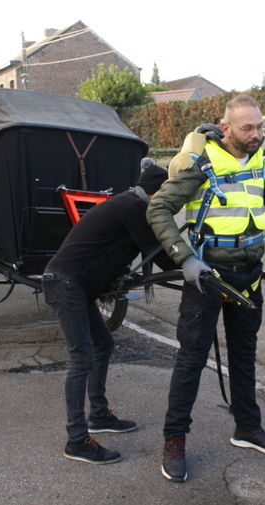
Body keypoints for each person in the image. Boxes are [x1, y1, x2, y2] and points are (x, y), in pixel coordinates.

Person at [147, 94, 265, 482]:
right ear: (226, 128)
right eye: (247, 128)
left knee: (244, 354)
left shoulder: (263, 162)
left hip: (249, 275)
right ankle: (174, 440)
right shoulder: (202, 163)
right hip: (207, 277)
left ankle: (247, 428)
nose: (256, 134)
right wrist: (185, 259)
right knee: (191, 359)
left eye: (260, 127)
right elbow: (158, 208)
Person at [43, 159, 177, 465]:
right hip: (67, 284)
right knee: (82, 357)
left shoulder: (130, 203)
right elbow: (162, 256)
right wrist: (192, 260)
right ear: (157, 193)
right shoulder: (135, 207)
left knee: (103, 344)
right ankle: (76, 440)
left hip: (74, 285)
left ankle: (99, 415)